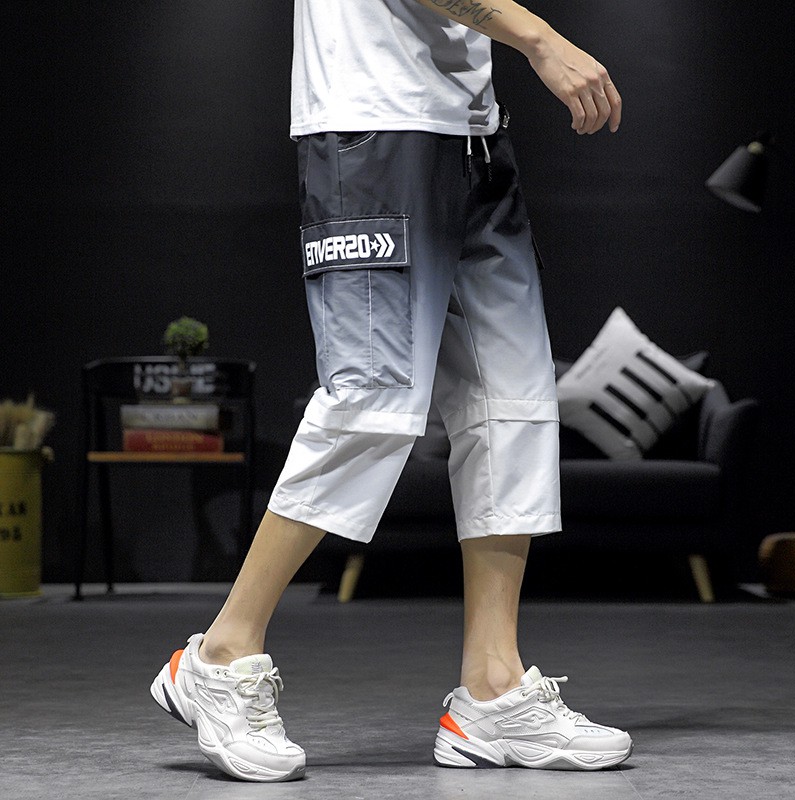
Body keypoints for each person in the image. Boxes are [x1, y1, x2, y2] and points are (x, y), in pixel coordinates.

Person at [150, 0, 630, 782]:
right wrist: (540, 39)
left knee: (511, 407)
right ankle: (220, 655)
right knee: (371, 402)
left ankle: (492, 690)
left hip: (474, 135)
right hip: (373, 129)